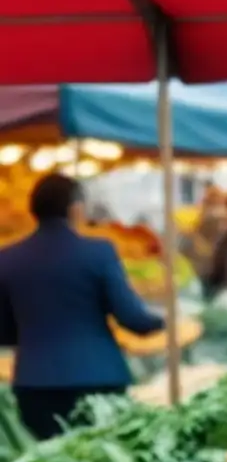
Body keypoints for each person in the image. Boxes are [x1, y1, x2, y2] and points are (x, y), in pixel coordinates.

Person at [0, 174, 165, 439]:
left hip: (35, 384)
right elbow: (132, 318)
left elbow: (4, 332)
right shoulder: (99, 253)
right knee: (104, 461)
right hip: (99, 378)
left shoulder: (7, 259)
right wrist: (163, 323)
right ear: (75, 209)